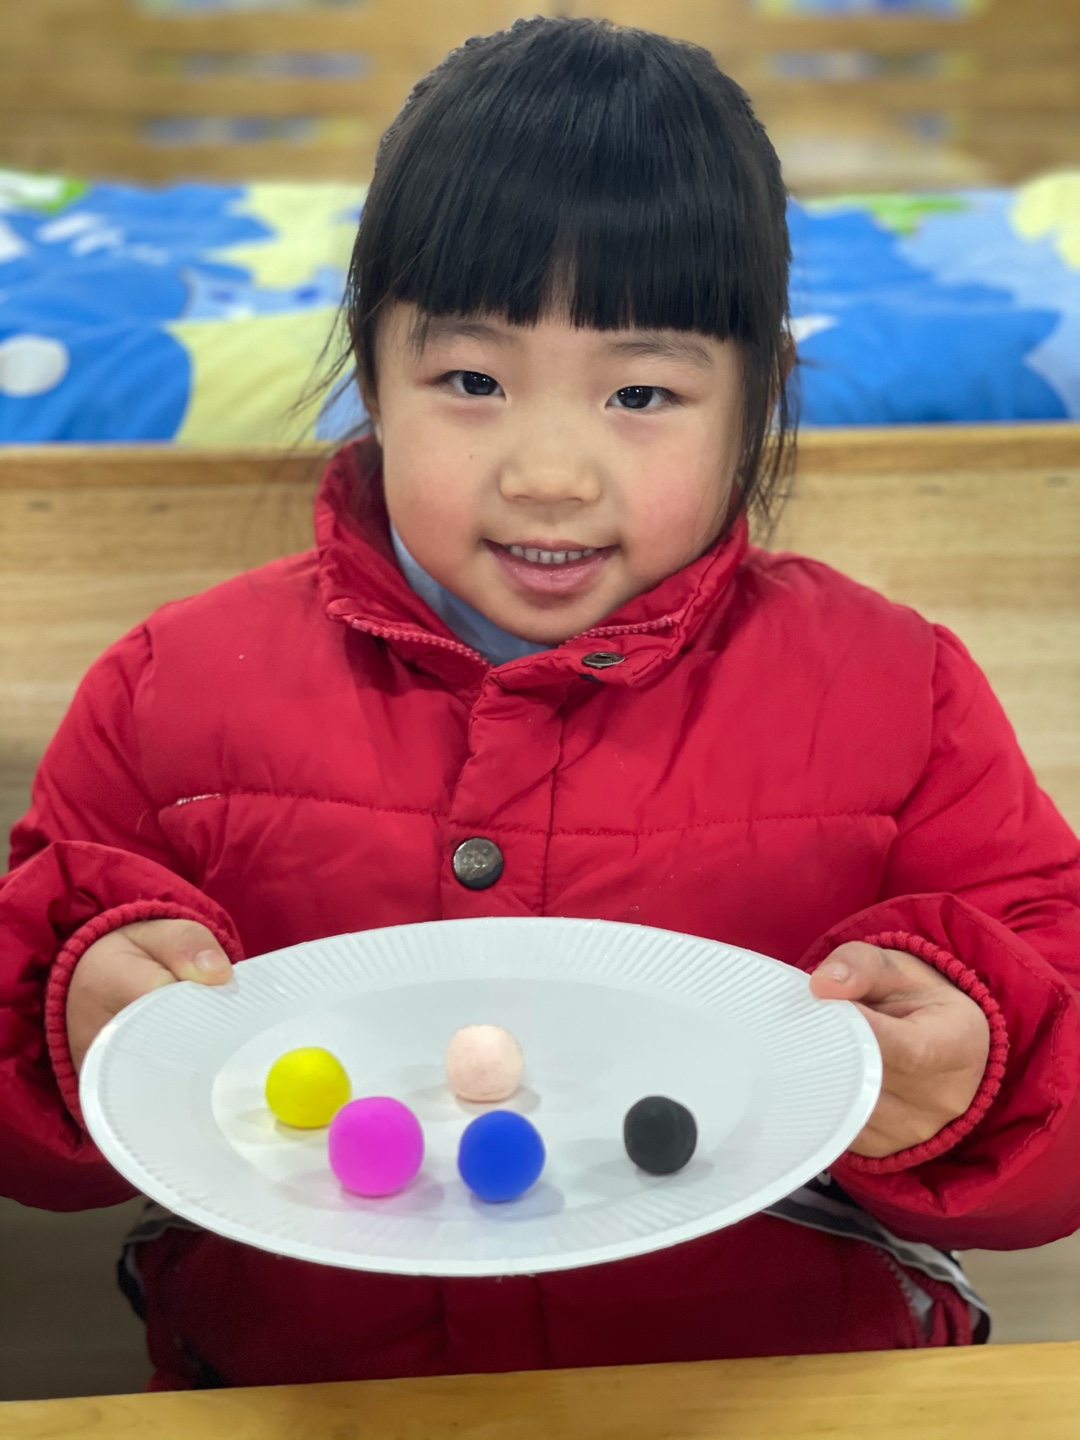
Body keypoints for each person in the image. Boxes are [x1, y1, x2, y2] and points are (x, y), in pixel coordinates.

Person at [2, 16, 1078, 1391]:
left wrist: (982, 1069)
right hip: (315, 1399)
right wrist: (68, 1024)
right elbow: (30, 1117)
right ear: (370, 376)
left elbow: (1060, 1087)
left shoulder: (896, 693)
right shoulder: (171, 691)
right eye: (472, 381)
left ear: (758, 399)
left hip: (773, 1393)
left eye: (641, 391)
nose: (551, 474)